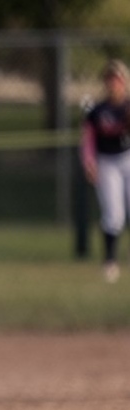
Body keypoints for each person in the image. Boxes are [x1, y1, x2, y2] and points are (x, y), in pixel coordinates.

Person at [81, 59, 130, 283]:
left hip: (127, 158)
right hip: (107, 162)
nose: (114, 83)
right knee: (114, 214)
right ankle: (110, 262)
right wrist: (89, 162)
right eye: (110, 79)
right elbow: (88, 139)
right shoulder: (97, 110)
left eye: (117, 79)